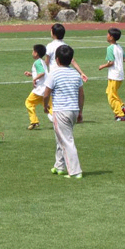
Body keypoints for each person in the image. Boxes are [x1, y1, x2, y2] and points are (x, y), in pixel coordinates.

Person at [42, 44, 84, 179]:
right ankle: (59, 166)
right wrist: (80, 112)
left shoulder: (54, 73)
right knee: (60, 137)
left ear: (57, 60)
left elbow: (46, 93)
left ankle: (75, 171)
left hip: (61, 111)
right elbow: (81, 94)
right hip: (73, 110)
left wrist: (45, 106)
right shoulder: (75, 74)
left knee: (66, 140)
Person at [97, 28, 125, 121]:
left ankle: (120, 114)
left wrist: (102, 66)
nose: (107, 36)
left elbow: (111, 62)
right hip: (120, 74)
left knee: (111, 96)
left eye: (108, 35)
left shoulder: (110, 48)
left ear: (111, 37)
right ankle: (122, 106)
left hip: (114, 74)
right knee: (110, 92)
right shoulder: (119, 47)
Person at [24, 44, 48, 130]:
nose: (32, 52)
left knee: (29, 103)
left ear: (36, 53)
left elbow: (42, 73)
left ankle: (34, 121)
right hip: (46, 88)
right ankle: (60, 120)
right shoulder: (42, 62)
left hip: (40, 89)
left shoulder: (37, 62)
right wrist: (31, 74)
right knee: (49, 106)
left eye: (33, 51)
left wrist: (34, 79)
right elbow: (41, 73)